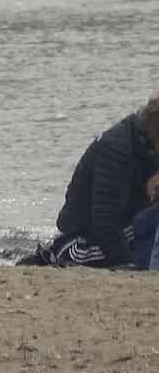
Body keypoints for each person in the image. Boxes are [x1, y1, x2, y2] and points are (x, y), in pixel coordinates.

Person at [18, 94, 159, 268]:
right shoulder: (117, 149)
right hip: (80, 243)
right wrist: (128, 265)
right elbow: (105, 221)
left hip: (117, 233)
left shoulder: (146, 146)